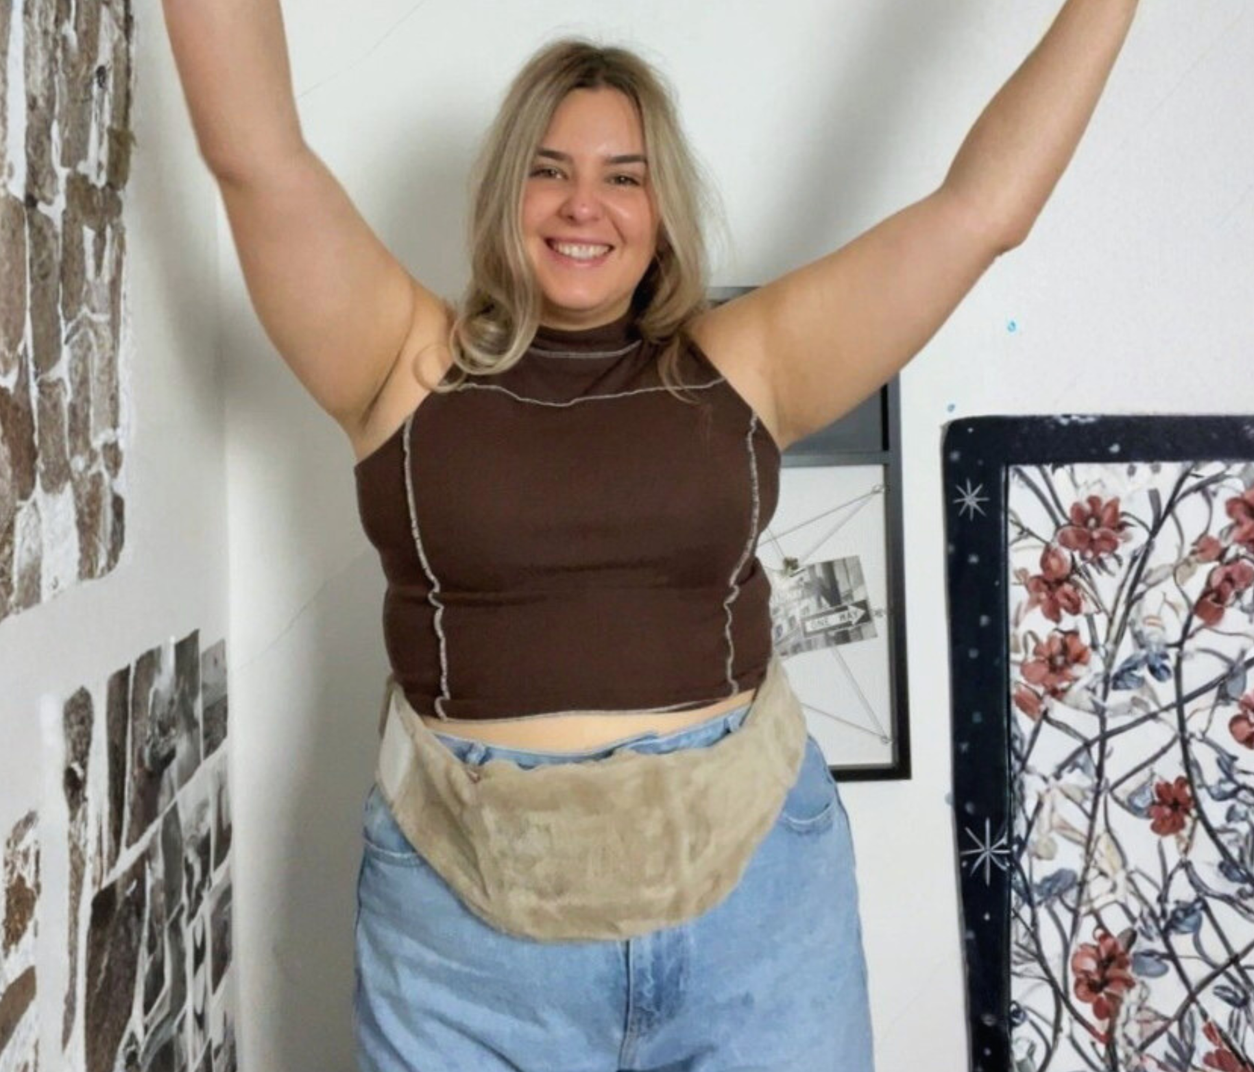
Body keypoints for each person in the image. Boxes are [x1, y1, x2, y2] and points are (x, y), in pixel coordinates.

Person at [163, 2, 1139, 1067]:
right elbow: (256, 156)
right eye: (548, 170)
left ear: (661, 208)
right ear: (504, 193)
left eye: (623, 177)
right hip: (468, 931)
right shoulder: (400, 361)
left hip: (755, 915)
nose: (584, 204)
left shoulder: (745, 364)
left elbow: (982, 212)